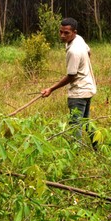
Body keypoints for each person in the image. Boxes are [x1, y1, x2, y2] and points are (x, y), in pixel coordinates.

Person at [40, 17, 97, 147]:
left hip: (78, 92)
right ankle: (97, 146)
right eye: (61, 32)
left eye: (66, 33)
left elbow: (71, 76)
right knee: (86, 121)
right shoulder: (79, 39)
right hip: (88, 87)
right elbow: (89, 52)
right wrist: (83, 67)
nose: (62, 36)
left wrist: (50, 89)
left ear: (74, 32)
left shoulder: (73, 51)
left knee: (75, 125)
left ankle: (76, 151)